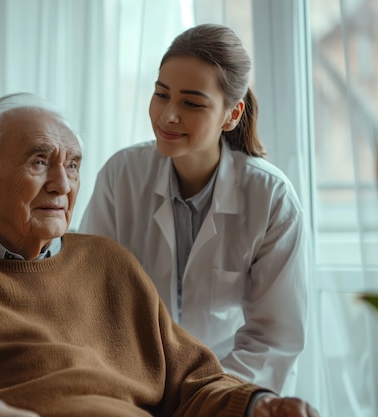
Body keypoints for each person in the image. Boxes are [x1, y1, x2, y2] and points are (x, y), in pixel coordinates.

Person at [0, 92, 319, 417]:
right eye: (40, 161)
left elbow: (194, 381)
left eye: (73, 165)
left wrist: (259, 404)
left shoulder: (109, 262)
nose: (62, 184)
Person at [79, 23, 308, 394]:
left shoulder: (272, 198)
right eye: (161, 94)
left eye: (191, 103)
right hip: (128, 379)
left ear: (232, 114)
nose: (168, 115)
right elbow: (89, 290)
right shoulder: (121, 176)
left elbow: (273, 338)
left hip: (228, 385)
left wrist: (206, 394)